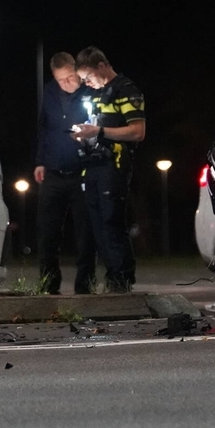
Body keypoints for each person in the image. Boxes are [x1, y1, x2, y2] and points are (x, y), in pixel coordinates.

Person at [70, 47, 145, 293]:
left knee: (112, 223)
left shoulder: (126, 90)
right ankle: (112, 278)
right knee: (97, 226)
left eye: (88, 77)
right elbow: (99, 127)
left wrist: (99, 132)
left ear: (102, 66)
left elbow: (137, 131)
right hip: (94, 166)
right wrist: (85, 134)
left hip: (114, 167)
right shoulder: (100, 94)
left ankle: (122, 280)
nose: (86, 83)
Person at [34, 52, 95, 294]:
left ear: (77, 71)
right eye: (61, 80)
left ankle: (84, 285)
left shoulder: (90, 92)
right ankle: (49, 285)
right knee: (47, 231)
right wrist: (40, 161)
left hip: (82, 171)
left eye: (70, 77)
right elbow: (44, 127)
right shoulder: (49, 92)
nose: (67, 84)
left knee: (85, 232)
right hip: (54, 171)